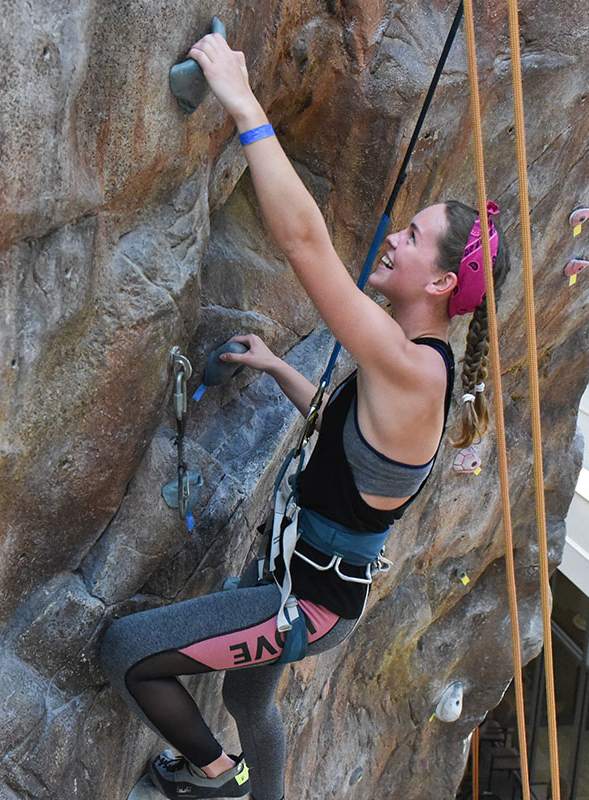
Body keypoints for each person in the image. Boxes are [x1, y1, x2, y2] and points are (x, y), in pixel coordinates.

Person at [101, 32, 510, 800]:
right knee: (248, 697)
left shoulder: (413, 368)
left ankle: (214, 777)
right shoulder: (412, 372)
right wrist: (278, 366)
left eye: (412, 237)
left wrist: (240, 97)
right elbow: (347, 439)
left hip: (305, 604)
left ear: (443, 280)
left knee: (126, 650)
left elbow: (304, 244)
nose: (394, 238)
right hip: (303, 579)